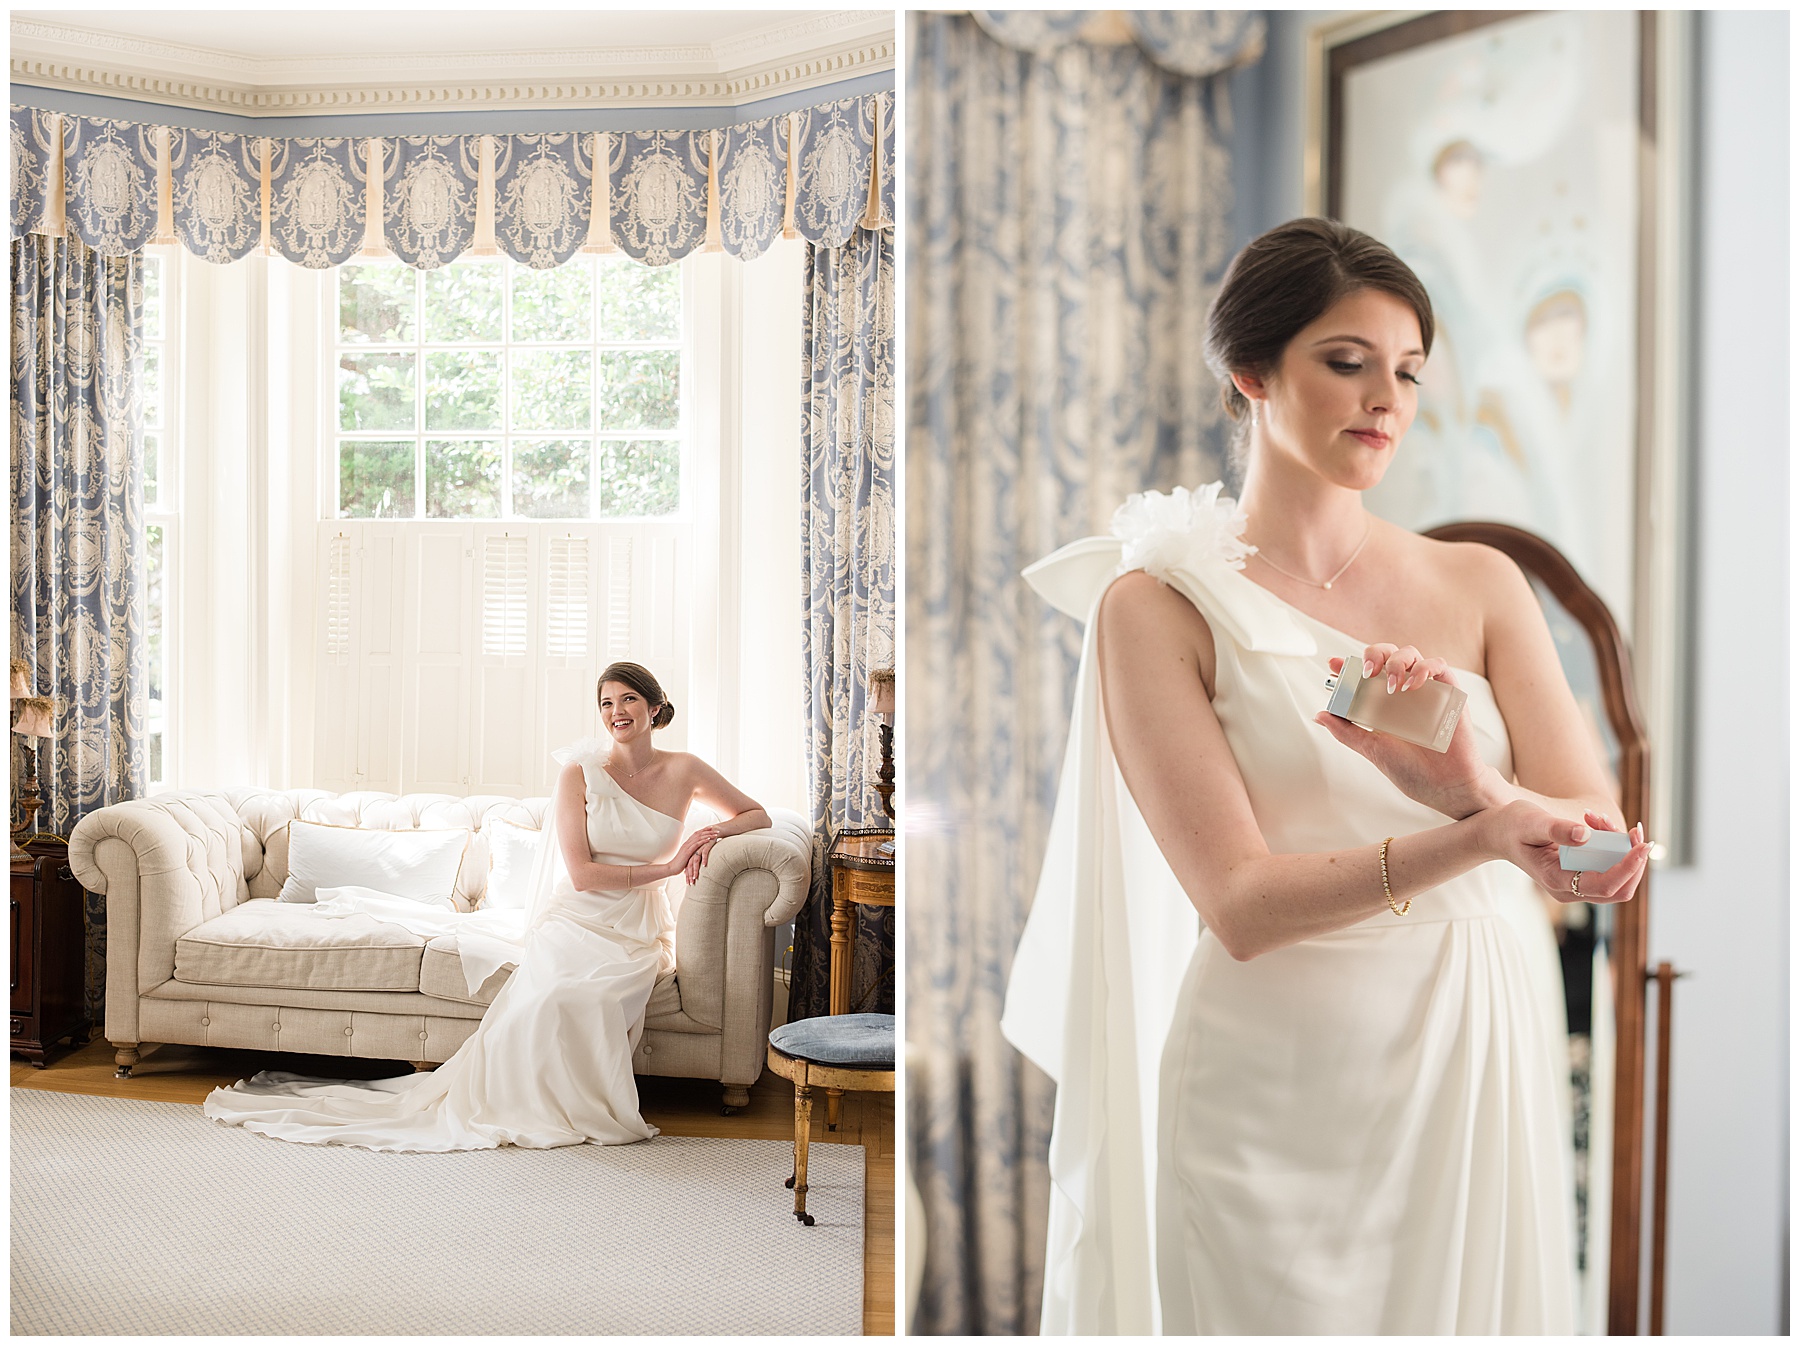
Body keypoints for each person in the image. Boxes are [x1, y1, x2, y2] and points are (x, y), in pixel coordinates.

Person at [999, 218, 1649, 1334]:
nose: (1384, 399)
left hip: (1476, 1040)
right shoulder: (1156, 606)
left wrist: (1471, 793)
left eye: (1406, 371)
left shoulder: (1482, 583)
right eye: (1346, 363)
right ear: (1249, 372)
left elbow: (1602, 858)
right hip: (1275, 1078)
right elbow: (1242, 908)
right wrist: (1477, 835)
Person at [203, 661, 771, 1152]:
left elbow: (757, 816)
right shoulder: (580, 772)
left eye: (628, 700)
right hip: (576, 916)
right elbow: (582, 872)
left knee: (598, 993)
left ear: (654, 708)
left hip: (637, 927)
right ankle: (528, 1105)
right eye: (606, 703)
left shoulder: (685, 769)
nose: (617, 712)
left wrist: (709, 835)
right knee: (555, 992)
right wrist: (670, 867)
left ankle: (569, 1105)